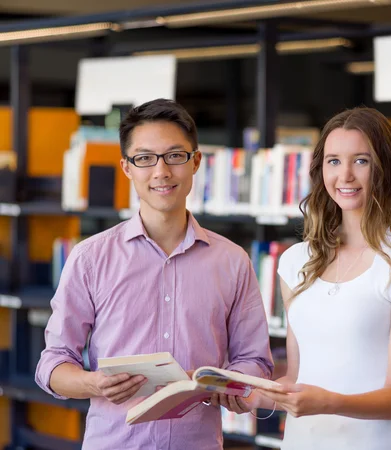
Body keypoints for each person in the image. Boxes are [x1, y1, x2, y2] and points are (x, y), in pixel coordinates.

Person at [35, 98, 274, 450]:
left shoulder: (233, 261)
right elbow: (52, 364)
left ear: (195, 162)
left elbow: (255, 362)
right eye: (145, 158)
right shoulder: (90, 258)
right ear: (127, 167)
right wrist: (94, 384)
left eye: (175, 156)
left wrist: (233, 386)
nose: (161, 171)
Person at [247, 107, 391, 449]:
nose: (345, 175)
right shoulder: (296, 261)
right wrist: (238, 392)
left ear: (385, 169)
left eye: (361, 161)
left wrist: (328, 402)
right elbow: (296, 379)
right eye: (334, 161)